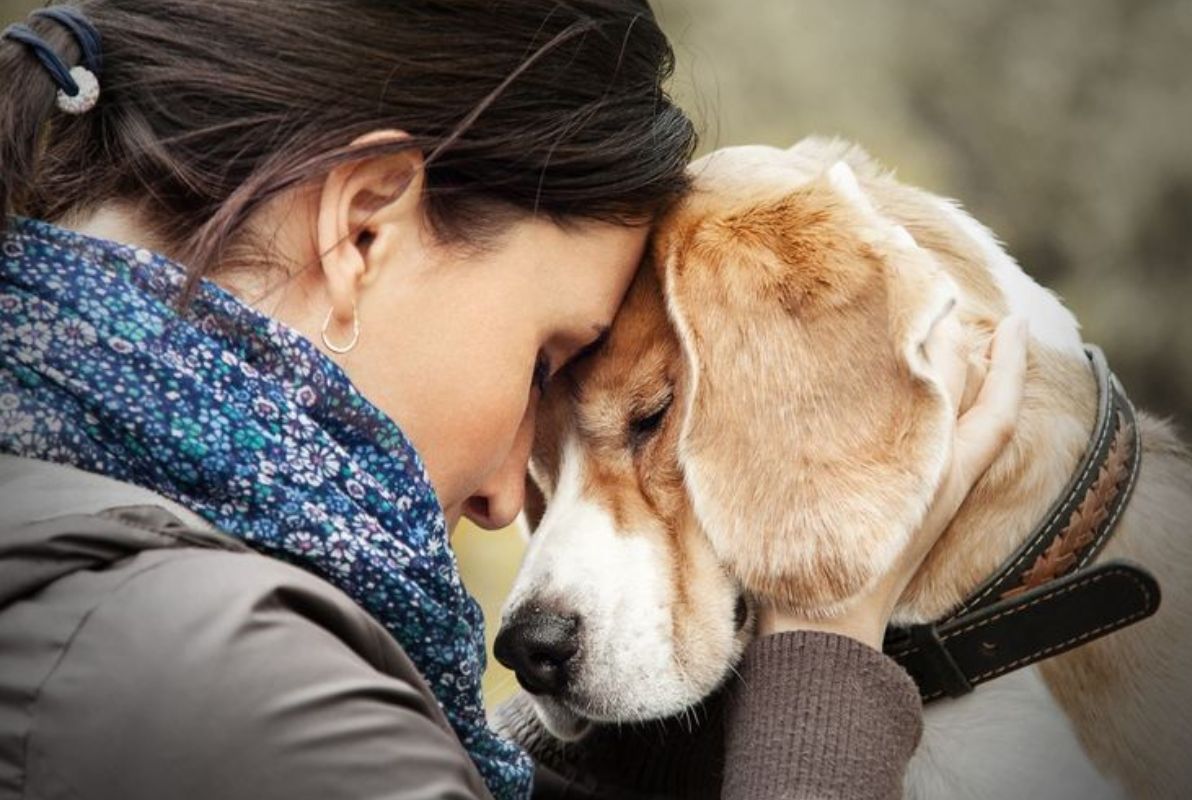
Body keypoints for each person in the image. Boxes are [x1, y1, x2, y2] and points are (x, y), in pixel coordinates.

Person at [0, 2, 1028, 798]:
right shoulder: (225, 681)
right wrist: (826, 654)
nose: (505, 499)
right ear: (361, 229)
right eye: (547, 360)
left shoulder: (70, 537)